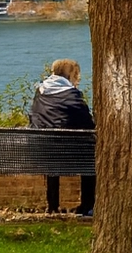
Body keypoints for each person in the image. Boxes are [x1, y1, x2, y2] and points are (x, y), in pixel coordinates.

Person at [29, 58, 95, 216]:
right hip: (69, 153)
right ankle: (87, 206)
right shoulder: (72, 95)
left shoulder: (40, 92)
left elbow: (34, 118)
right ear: (71, 75)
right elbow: (87, 123)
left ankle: (52, 206)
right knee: (90, 158)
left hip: (42, 151)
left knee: (53, 153)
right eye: (77, 76)